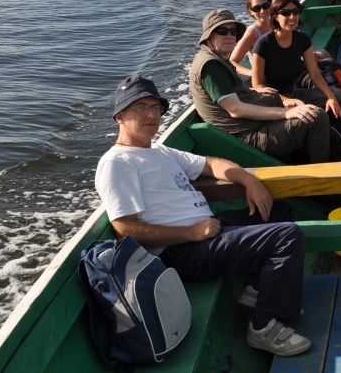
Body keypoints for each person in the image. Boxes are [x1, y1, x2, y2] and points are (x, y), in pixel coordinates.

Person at [96, 74, 311, 356]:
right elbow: (125, 228)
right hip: (184, 252)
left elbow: (211, 164)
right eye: (141, 107)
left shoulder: (158, 150)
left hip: (209, 231)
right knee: (287, 236)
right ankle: (262, 328)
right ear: (120, 116)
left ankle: (259, 292)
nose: (151, 114)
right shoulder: (117, 163)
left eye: (155, 107)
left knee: (279, 210)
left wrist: (249, 181)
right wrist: (191, 233)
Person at [190, 9, 330, 164]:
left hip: (249, 125)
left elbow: (227, 92)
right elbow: (235, 110)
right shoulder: (211, 66)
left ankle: (298, 157)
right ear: (209, 35)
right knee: (316, 117)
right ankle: (322, 174)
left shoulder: (216, 58)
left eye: (233, 31)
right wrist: (287, 113)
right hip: (244, 136)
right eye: (222, 31)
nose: (229, 36)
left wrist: (251, 90)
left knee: (272, 95)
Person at [252, 0, 341, 115]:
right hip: (272, 100)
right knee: (310, 114)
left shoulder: (302, 38)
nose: (292, 17)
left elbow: (315, 73)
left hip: (294, 92)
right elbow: (257, 85)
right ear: (276, 16)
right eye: (286, 13)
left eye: (296, 12)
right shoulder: (264, 44)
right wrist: (286, 100)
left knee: (340, 97)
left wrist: (331, 96)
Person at [230, 0, 272, 79]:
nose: (262, 11)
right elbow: (232, 61)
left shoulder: (277, 24)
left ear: (271, 5)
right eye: (256, 8)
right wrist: (250, 72)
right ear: (250, 11)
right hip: (267, 80)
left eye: (266, 6)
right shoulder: (252, 33)